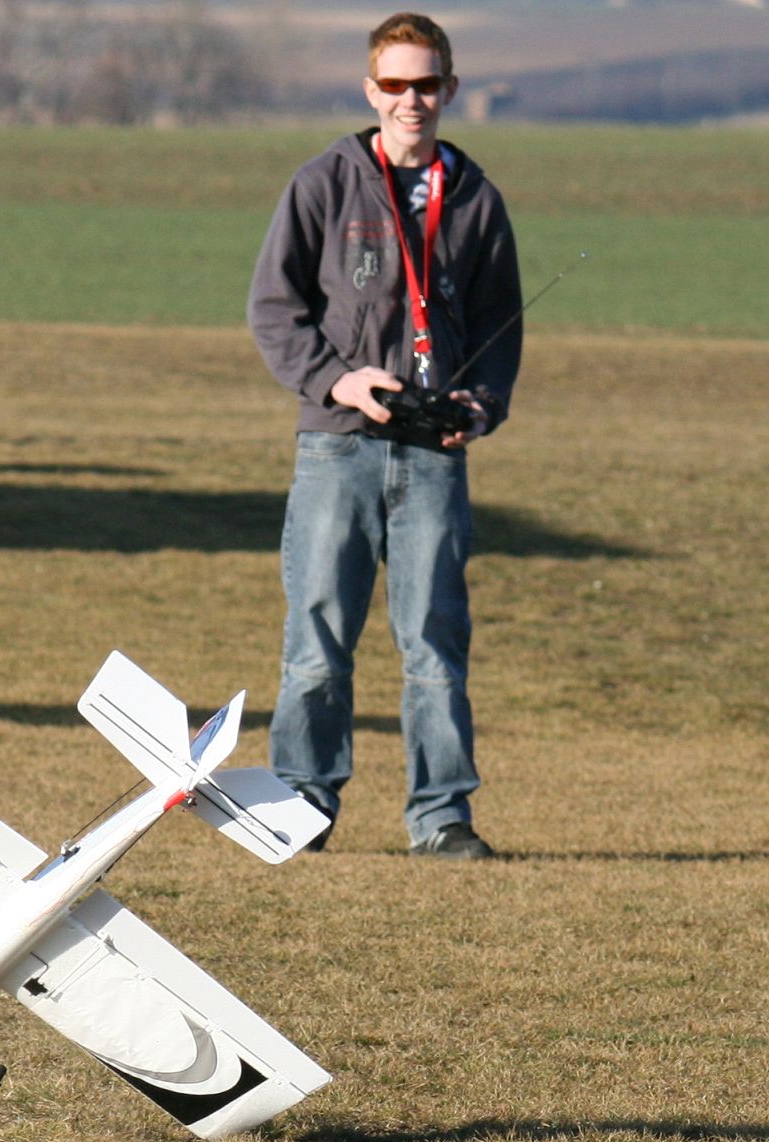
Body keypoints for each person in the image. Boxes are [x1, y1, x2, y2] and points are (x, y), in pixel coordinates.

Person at [247, 11, 522, 861]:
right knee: (317, 643)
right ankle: (301, 805)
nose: (413, 99)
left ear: (450, 90)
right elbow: (274, 310)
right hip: (336, 445)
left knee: (435, 641)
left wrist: (479, 406)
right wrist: (342, 380)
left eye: (428, 84)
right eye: (396, 85)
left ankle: (441, 817)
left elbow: (500, 328)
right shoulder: (324, 182)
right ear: (372, 90)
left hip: (433, 458)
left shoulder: (474, 196)